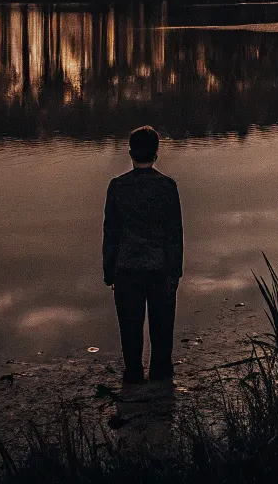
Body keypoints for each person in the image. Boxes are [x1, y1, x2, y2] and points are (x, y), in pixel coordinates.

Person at [103, 125, 183, 384]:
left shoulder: (117, 187)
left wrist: (108, 271)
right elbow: (174, 234)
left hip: (126, 267)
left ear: (130, 153)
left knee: (130, 327)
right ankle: (161, 374)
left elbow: (111, 232)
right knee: (162, 327)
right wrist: (175, 272)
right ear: (156, 154)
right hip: (160, 268)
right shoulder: (167, 186)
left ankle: (134, 373)